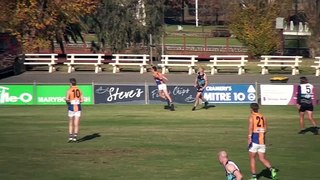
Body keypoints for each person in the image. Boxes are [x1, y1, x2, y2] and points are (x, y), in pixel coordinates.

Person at [248, 103, 277, 180]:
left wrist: (249, 138)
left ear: (251, 109)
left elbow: (251, 128)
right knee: (262, 158)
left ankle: (254, 177)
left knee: (252, 158)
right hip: (262, 141)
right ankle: (271, 169)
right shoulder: (263, 117)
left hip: (254, 140)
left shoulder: (252, 117)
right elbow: (265, 129)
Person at [66, 78, 84, 142]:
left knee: (71, 122)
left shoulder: (69, 90)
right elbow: (82, 100)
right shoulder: (79, 90)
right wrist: (77, 101)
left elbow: (67, 99)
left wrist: (67, 101)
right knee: (76, 123)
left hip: (71, 107)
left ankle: (70, 136)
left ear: (71, 83)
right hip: (78, 107)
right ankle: (75, 137)